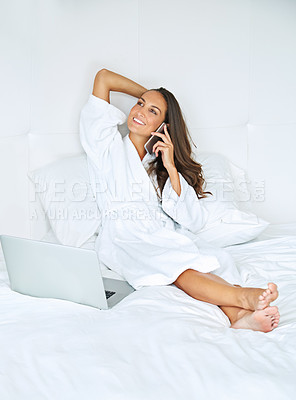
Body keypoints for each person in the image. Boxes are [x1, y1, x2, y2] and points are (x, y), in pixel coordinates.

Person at [79, 68, 280, 332]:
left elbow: (191, 219)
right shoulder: (105, 146)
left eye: (153, 111)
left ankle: (238, 317)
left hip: (162, 232)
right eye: (139, 105)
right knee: (177, 266)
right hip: (124, 235)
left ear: (164, 126)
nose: (140, 111)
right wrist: (153, 97)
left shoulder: (160, 164)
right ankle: (243, 297)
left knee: (208, 262)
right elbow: (103, 77)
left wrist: (171, 167)